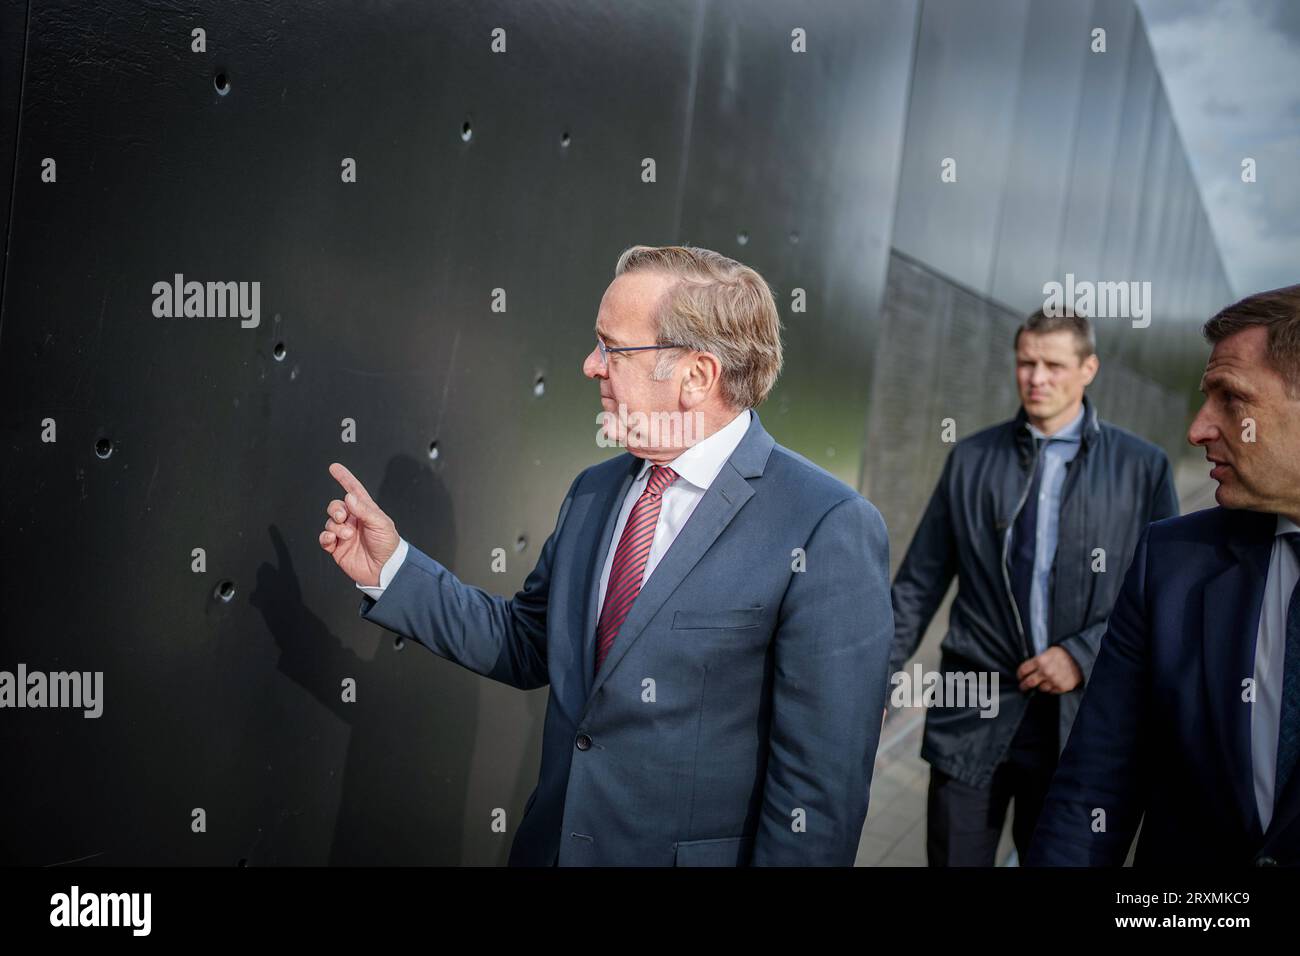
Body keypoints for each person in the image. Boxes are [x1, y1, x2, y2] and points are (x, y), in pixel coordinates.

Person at [319, 245, 893, 866]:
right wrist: (390, 568)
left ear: (696, 376)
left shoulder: (825, 526)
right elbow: (527, 642)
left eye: (613, 349)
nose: (591, 365)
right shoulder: (594, 491)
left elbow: (819, 797)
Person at [889, 308, 1177, 866]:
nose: (1036, 378)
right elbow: (918, 583)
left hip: (1081, 723)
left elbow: (1163, 593)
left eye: (1053, 364)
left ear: (1088, 368)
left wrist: (1082, 654)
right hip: (973, 716)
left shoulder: (1143, 468)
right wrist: (877, 679)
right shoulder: (972, 459)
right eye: (1025, 362)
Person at [1028, 284, 1300, 867]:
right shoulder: (1172, 561)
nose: (1198, 429)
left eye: (1231, 398)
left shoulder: (1138, 465)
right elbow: (1094, 787)